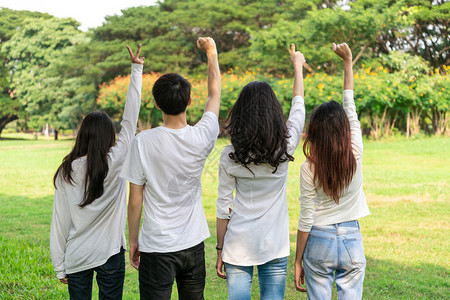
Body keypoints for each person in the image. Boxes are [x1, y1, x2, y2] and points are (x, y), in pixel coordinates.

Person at [121, 37, 220, 300]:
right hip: (194, 244)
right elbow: (214, 94)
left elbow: (135, 200)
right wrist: (211, 52)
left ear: (156, 103)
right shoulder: (203, 136)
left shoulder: (142, 142)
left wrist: (132, 241)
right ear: (189, 101)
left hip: (157, 245)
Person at [50, 44, 144, 299]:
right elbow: (130, 119)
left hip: (77, 255)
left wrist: (60, 265)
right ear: (108, 136)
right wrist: (136, 70)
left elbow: (59, 222)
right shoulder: (116, 160)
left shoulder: (66, 171)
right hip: (110, 253)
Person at [215, 44, 306, 300]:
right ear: (274, 112)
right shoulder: (285, 147)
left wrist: (220, 248)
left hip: (237, 245)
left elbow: (223, 206)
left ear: (240, 114)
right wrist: (297, 66)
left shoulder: (230, 155)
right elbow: (298, 108)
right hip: (274, 245)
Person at [294, 43, 371, 299]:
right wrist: (347, 62)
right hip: (352, 238)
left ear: (314, 131)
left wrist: (298, 260)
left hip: (319, 238)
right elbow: (350, 106)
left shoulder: (309, 168)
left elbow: (306, 217)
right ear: (345, 130)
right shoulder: (355, 152)